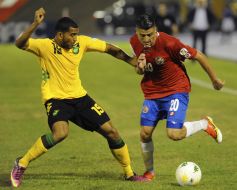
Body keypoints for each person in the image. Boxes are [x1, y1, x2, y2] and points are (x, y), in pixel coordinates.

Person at [10, 7, 147, 188]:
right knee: (60, 133)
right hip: (56, 99)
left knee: (112, 132)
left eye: (76, 35)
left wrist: (131, 61)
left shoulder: (81, 43)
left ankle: (129, 173)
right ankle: (21, 163)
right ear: (60, 35)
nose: (75, 39)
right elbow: (20, 43)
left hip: (80, 98)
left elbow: (109, 49)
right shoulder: (44, 46)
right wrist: (35, 23)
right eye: (72, 35)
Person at [130, 14, 224, 181]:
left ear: (156, 31)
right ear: (136, 33)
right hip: (152, 93)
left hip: (175, 90)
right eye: (142, 35)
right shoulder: (134, 42)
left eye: (150, 35)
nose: (146, 39)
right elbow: (140, 69)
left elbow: (198, 55)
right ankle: (149, 173)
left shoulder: (170, 43)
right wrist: (140, 67)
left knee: (174, 134)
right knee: (144, 134)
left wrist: (214, 79)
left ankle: (204, 124)